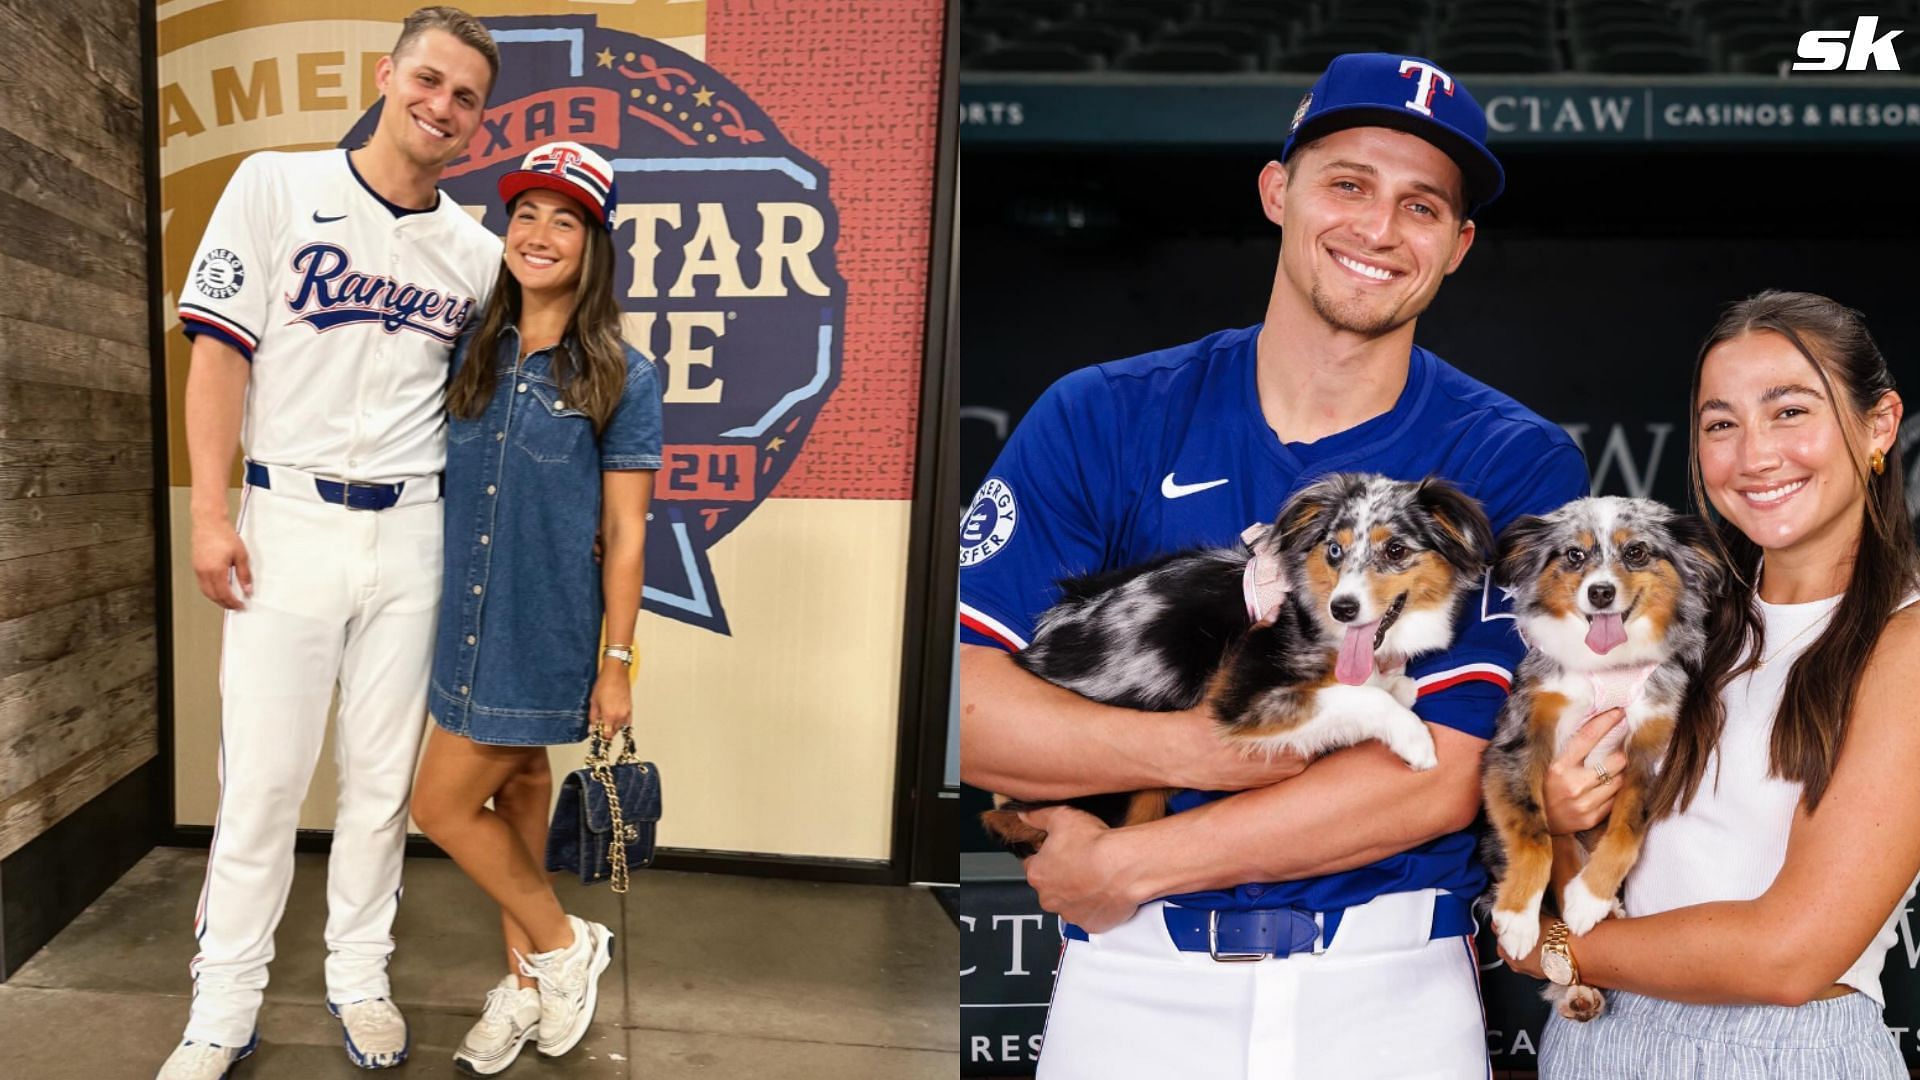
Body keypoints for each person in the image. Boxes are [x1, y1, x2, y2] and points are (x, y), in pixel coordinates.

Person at [959, 53, 1590, 1079]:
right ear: (1276, 191)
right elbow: (973, 712)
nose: (1380, 229)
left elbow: (1439, 773)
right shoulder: (1102, 412)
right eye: (1347, 182)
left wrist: (1128, 858)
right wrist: (1202, 748)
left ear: (1459, 245)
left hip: (1388, 989)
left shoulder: (1512, 458)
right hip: (1130, 987)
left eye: (1422, 205)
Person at [166, 8, 502, 1079]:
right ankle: (223, 1003)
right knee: (261, 781)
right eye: (429, 80)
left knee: (379, 782)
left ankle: (360, 976)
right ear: (387, 74)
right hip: (288, 518)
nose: (441, 107)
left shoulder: (478, 256)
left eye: (465, 98)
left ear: (476, 123)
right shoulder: (273, 184)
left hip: (414, 531)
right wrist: (210, 514)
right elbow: (217, 357)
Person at [1504, 290, 1916, 1078]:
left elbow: (1788, 955)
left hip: (1784, 1051)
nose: (1754, 455)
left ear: (1880, 425)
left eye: (1790, 411)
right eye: (1721, 424)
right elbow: (1584, 870)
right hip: (1594, 1041)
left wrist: (1554, 948)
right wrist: (1556, 821)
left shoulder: (1906, 641)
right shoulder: (1668, 627)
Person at [407, 139, 662, 1076]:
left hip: (543, 627)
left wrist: (617, 662)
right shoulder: (468, 349)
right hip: (457, 620)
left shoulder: (623, 377)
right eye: (526, 214)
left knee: (439, 806)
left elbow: (627, 535)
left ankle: (562, 947)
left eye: (566, 219)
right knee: (512, 800)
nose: (540, 233)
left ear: (593, 246)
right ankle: (520, 987)